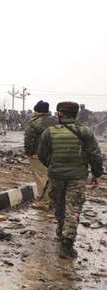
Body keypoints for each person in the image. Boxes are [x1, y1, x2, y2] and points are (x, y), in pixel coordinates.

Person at [38, 101, 103, 258]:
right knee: (73, 209)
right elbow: (95, 155)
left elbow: (42, 155)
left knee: (59, 207)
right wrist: (96, 174)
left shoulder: (49, 132)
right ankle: (67, 245)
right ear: (76, 114)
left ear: (60, 113)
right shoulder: (85, 132)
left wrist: (53, 166)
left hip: (56, 176)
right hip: (77, 177)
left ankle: (61, 232)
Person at [23, 100, 56, 209]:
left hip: (38, 155)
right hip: (54, 154)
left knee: (41, 178)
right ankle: (52, 200)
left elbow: (29, 139)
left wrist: (29, 152)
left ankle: (44, 202)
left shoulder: (34, 122)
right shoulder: (55, 121)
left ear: (36, 110)